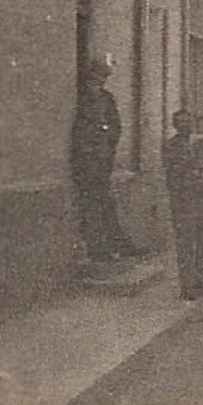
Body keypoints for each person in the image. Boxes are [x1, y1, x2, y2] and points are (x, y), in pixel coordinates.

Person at [71, 57, 137, 261]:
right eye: (96, 76)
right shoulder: (80, 98)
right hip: (86, 160)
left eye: (103, 78)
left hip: (102, 158)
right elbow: (80, 130)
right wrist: (91, 145)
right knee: (92, 203)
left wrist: (108, 146)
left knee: (104, 200)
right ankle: (98, 249)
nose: (99, 81)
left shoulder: (106, 98)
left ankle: (116, 244)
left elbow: (115, 125)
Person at [164, 111, 203, 301]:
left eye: (188, 123)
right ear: (176, 126)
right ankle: (187, 286)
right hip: (184, 201)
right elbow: (173, 175)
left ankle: (199, 280)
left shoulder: (200, 143)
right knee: (186, 244)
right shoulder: (171, 145)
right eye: (181, 123)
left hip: (202, 199)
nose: (186, 127)